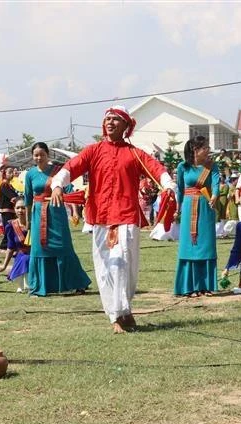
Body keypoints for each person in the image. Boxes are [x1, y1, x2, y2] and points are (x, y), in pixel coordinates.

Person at [50, 105, 177, 333]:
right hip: (100, 218)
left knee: (126, 266)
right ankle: (115, 316)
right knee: (106, 267)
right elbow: (72, 166)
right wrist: (58, 184)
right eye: (107, 119)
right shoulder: (93, 151)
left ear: (126, 126)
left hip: (127, 217)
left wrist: (168, 185)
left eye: (116, 120)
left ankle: (125, 309)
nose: (110, 123)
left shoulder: (135, 153)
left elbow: (156, 168)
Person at [25, 142, 91, 297]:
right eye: (36, 155)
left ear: (48, 155)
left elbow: (68, 191)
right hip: (37, 215)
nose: (39, 157)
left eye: (42, 154)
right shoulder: (30, 174)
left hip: (56, 212)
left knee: (64, 246)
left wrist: (75, 211)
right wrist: (28, 221)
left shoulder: (58, 172)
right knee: (39, 248)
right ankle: (40, 286)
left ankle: (76, 283)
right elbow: (27, 199)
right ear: (32, 157)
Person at [174, 136, 219, 297]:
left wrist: (214, 196)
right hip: (187, 207)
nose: (208, 150)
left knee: (206, 244)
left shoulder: (212, 166)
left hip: (205, 207)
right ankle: (189, 286)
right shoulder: (182, 167)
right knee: (189, 245)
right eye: (205, 147)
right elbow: (179, 189)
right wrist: (177, 208)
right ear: (195, 149)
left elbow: (215, 184)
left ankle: (206, 285)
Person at [0, 198, 30, 293]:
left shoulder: (34, 224)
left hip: (35, 256)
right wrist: (4, 266)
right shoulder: (11, 226)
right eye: (18, 208)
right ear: (14, 209)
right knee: (24, 258)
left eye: (23, 208)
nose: (20, 210)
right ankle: (23, 283)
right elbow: (10, 247)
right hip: (20, 256)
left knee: (27, 258)